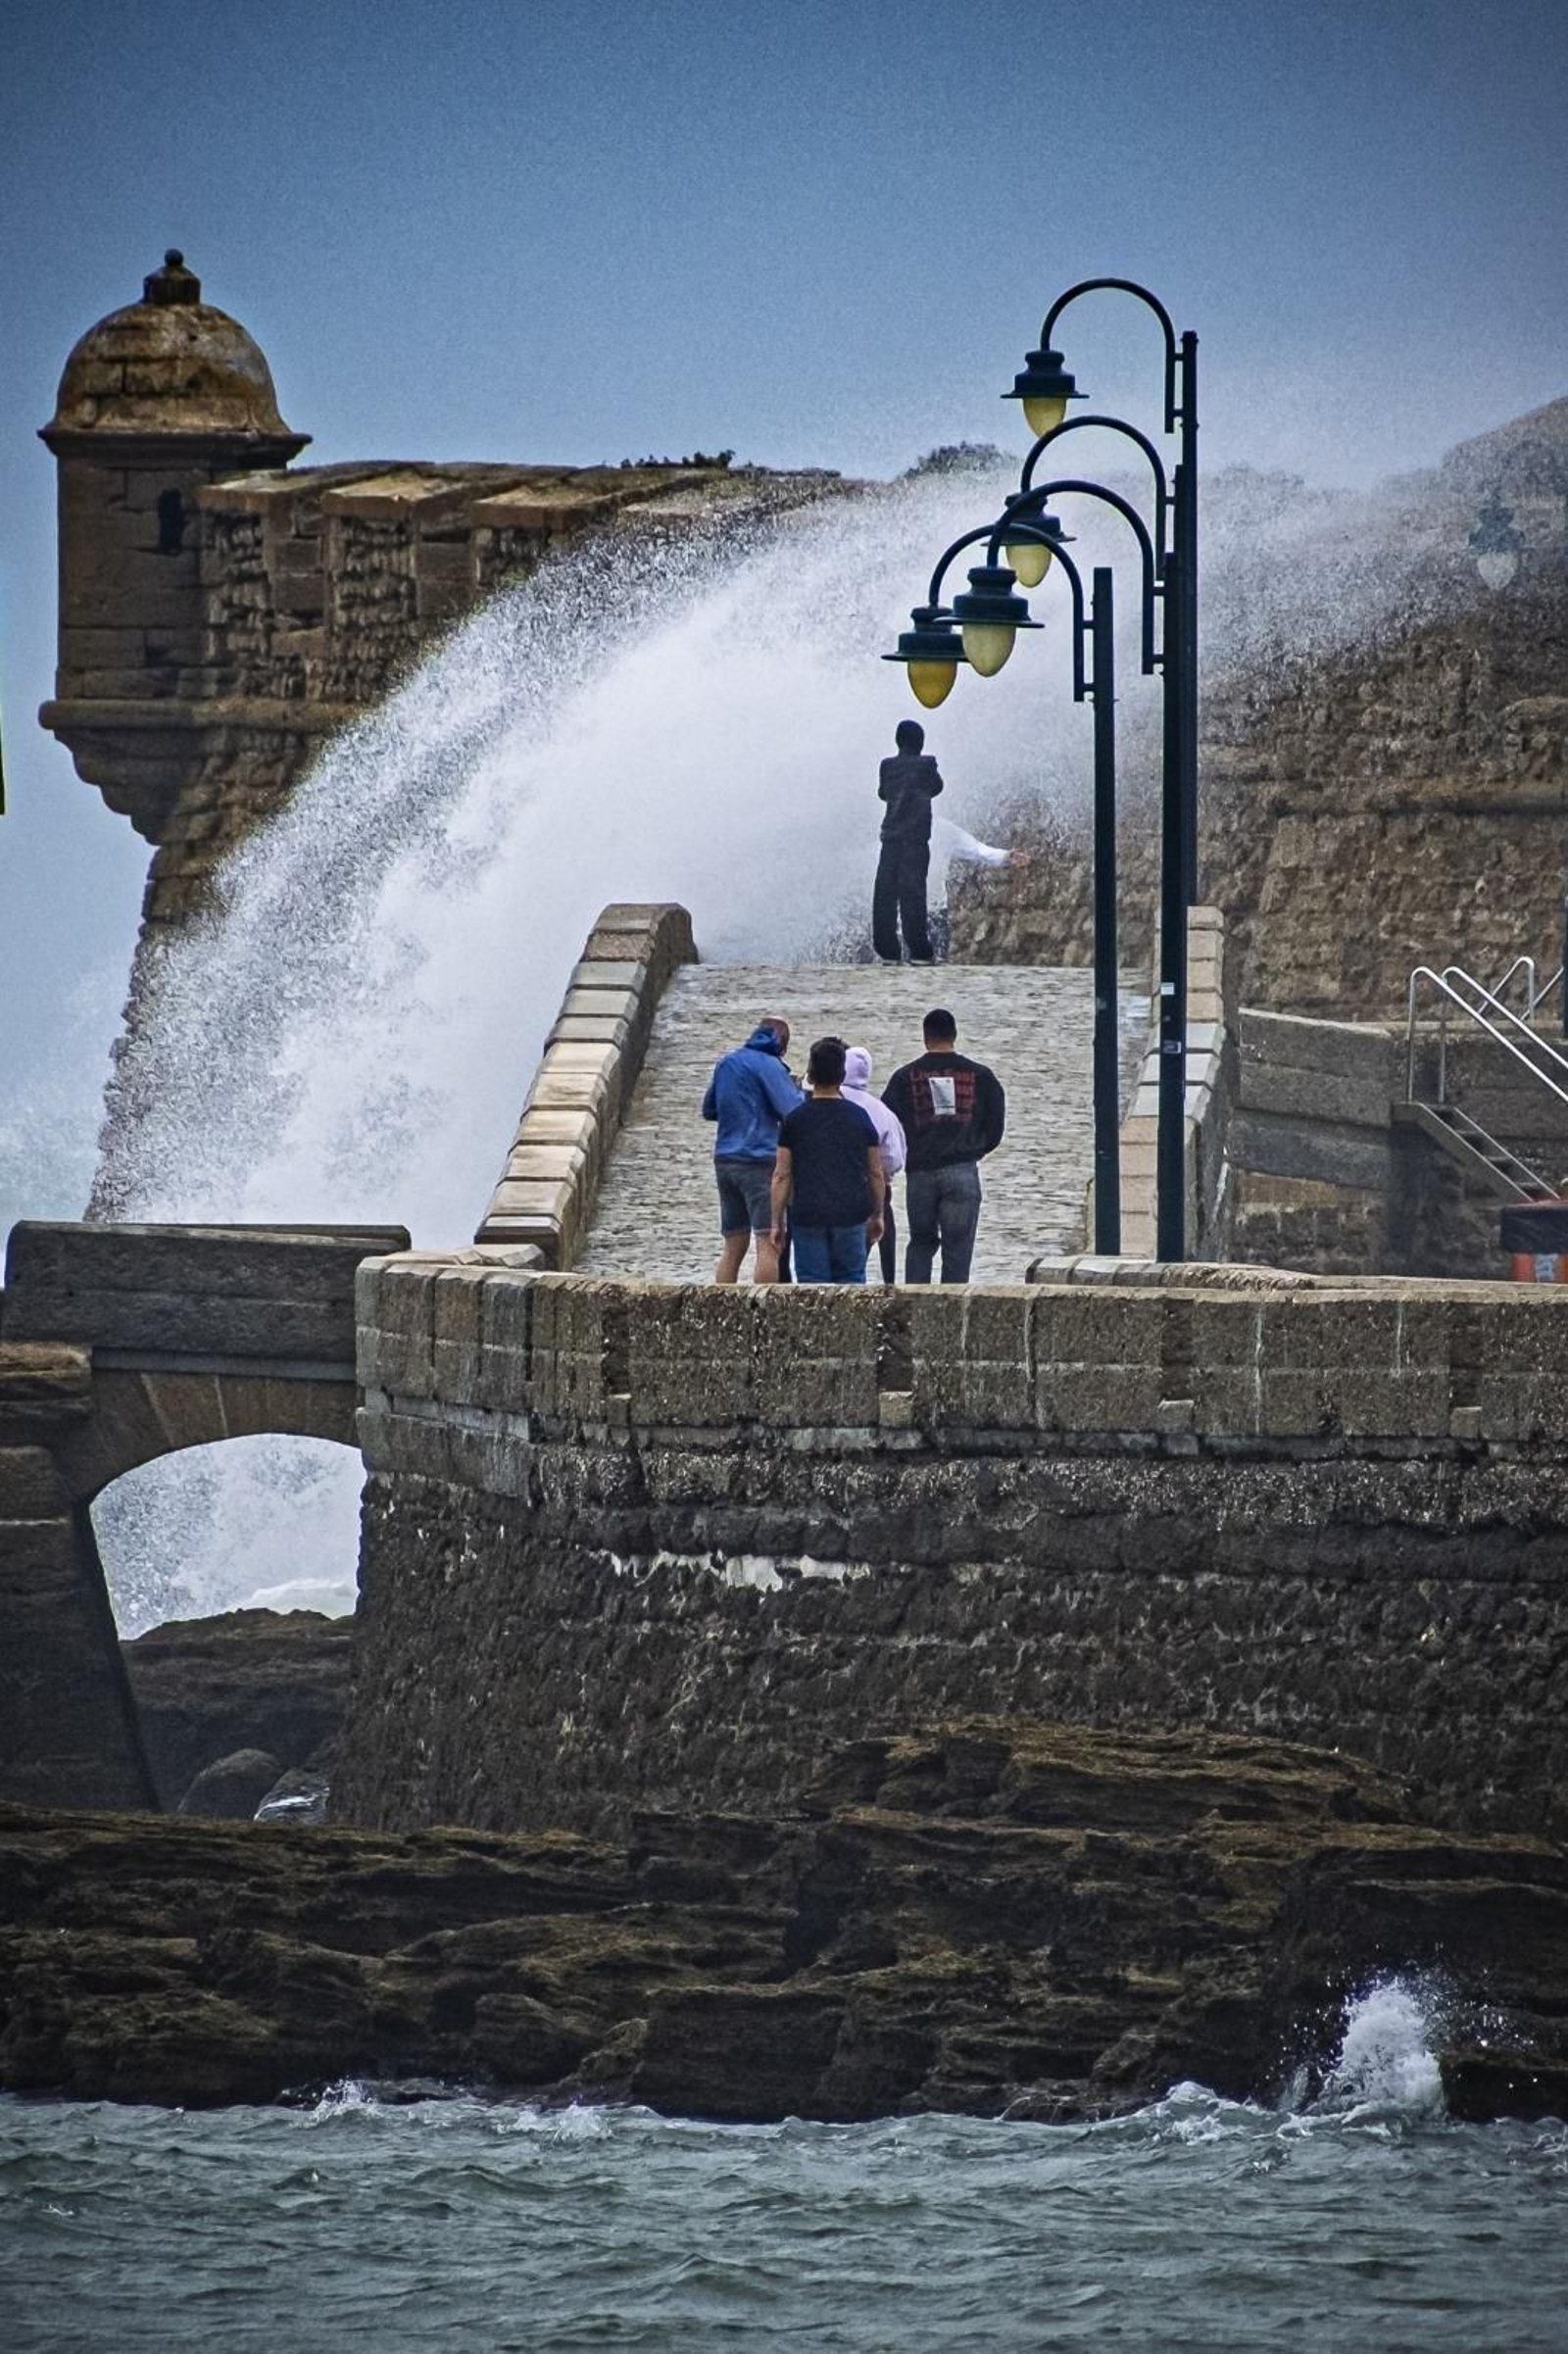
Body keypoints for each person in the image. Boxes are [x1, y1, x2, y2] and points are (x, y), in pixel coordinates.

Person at [882, 1008, 1006, 1284]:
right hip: (962, 1170)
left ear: (925, 1037)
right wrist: (977, 1149)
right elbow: (995, 1126)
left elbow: (887, 1127)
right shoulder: (982, 1076)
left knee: (920, 1243)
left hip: (920, 1174)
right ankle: (955, 1312)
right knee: (958, 1250)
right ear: (954, 1035)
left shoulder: (904, 1077)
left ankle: (914, 1308)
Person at [771, 1036, 885, 1285]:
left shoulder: (795, 1120)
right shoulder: (859, 1118)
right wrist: (878, 1214)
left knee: (812, 1286)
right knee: (853, 1284)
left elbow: (782, 1175)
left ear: (810, 1075)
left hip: (808, 1213)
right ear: (841, 1075)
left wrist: (776, 1221)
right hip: (851, 1213)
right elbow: (876, 1171)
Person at [702, 1016, 802, 1283]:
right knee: (769, 1242)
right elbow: (792, 1110)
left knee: (733, 1244)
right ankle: (763, 1314)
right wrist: (796, 1088)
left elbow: (709, 1109)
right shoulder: (770, 1066)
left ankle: (720, 1305)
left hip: (724, 1159)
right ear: (781, 1043)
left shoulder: (727, 1063)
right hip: (759, 1160)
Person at [873, 718, 943, 962]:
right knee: (913, 894)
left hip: (891, 839)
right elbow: (937, 788)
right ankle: (919, 950)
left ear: (898, 741)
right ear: (920, 742)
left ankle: (888, 950)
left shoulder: (887, 766)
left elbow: (883, 793)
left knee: (885, 895)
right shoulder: (927, 765)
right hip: (915, 840)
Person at [842, 1044, 906, 1284]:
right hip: (874, 1187)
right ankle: (889, 1282)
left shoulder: (822, 1099)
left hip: (831, 1186)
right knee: (883, 1232)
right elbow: (895, 1158)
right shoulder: (881, 1110)